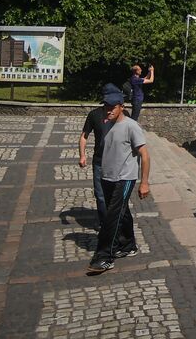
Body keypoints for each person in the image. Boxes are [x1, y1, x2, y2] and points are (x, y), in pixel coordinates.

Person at [86, 84, 151, 274]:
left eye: (112, 107)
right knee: (121, 212)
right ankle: (129, 245)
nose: (108, 110)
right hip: (107, 176)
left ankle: (105, 256)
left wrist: (144, 182)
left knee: (111, 216)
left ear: (122, 106)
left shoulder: (131, 126)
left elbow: (145, 155)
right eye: (106, 107)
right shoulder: (108, 123)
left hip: (124, 178)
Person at [79, 92, 115, 225]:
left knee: (115, 196)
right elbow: (84, 136)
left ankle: (115, 223)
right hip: (99, 161)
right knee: (100, 195)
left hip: (117, 163)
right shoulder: (94, 115)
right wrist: (82, 155)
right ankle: (105, 224)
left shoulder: (123, 116)